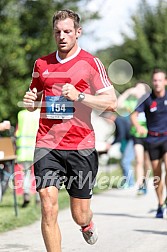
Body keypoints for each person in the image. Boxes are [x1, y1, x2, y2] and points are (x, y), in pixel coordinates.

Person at [23, 9, 117, 251]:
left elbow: (111, 102)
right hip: (47, 144)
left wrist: (81, 95)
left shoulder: (90, 63)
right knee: (47, 203)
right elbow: (34, 102)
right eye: (57, 32)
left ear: (78, 32)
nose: (62, 36)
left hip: (81, 146)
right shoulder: (41, 63)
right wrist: (31, 101)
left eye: (67, 31)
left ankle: (86, 224)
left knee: (79, 214)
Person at [131, 69, 167, 218]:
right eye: (155, 80)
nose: (157, 83)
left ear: (165, 81)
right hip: (152, 140)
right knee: (157, 175)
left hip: (166, 137)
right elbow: (133, 114)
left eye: (160, 80)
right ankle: (160, 203)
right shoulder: (147, 99)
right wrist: (138, 126)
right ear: (152, 82)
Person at [118, 83, 151, 195]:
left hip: (150, 135)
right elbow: (118, 104)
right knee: (139, 160)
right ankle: (140, 185)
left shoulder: (149, 101)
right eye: (135, 87)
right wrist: (128, 92)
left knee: (147, 162)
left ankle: (145, 181)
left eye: (139, 88)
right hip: (136, 135)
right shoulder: (132, 102)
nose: (136, 90)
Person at [15, 109, 40, 207]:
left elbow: (17, 132)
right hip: (37, 149)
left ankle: (26, 193)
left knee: (26, 174)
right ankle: (38, 198)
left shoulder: (21, 114)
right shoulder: (40, 113)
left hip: (24, 150)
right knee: (39, 174)